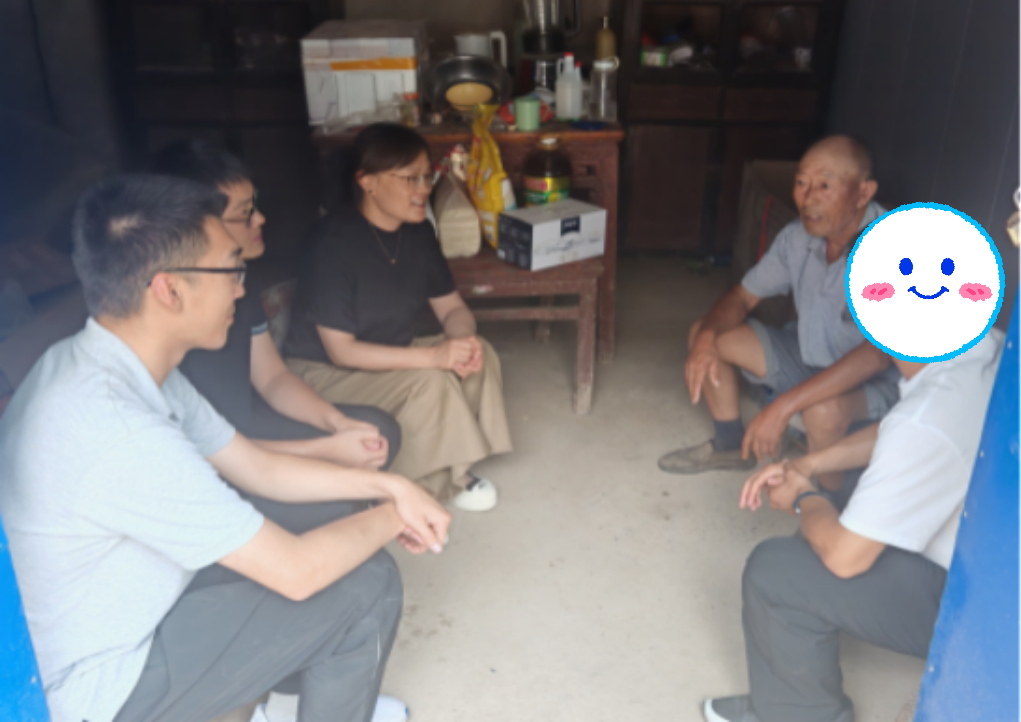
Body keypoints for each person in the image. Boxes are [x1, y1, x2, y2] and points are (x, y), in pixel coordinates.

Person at [0, 174, 451, 722]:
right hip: (104, 684)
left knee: (330, 517)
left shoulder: (108, 364)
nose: (241, 288)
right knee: (368, 586)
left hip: (128, 611)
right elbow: (297, 571)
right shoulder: (121, 430)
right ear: (169, 290)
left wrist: (388, 485)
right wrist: (397, 512)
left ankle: (286, 695)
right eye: (230, 270)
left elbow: (256, 468)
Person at [702, 329, 1004, 722]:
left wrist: (803, 497)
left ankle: (801, 715)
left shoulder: (926, 417)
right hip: (995, 571)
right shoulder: (984, 349)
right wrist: (809, 464)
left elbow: (845, 558)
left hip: (982, 613)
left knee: (777, 572)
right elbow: (902, 431)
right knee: (841, 516)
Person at [284, 123, 513, 511]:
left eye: (427, 176)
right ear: (368, 182)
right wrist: (433, 357)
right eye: (410, 178)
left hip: (387, 351)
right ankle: (424, 486)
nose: (423, 189)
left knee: (481, 354)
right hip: (324, 373)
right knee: (430, 382)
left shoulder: (419, 234)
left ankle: (452, 463)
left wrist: (461, 342)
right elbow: (341, 351)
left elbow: (452, 309)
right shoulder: (331, 244)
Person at [659, 136, 900, 490]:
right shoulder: (796, 237)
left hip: (872, 386)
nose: (808, 197)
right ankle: (730, 445)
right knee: (707, 335)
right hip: (810, 360)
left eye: (825, 185)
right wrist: (707, 337)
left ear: (863, 193)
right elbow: (743, 297)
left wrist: (782, 407)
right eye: (801, 182)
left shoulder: (893, 247)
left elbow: (876, 357)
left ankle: (827, 501)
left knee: (823, 413)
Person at [150, 140, 401, 474]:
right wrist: (325, 451)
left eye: (254, 205)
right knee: (341, 475)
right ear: (199, 224)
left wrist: (337, 423)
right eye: (244, 213)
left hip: (246, 430)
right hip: (212, 462)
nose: (260, 218)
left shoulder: (241, 277)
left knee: (376, 431)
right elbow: (206, 449)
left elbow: (272, 378)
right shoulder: (169, 309)